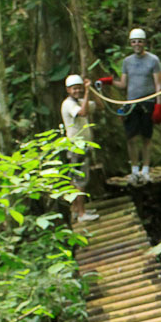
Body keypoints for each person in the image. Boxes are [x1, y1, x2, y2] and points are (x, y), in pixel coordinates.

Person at [97, 27, 161, 185]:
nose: (137, 44)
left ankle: (145, 170)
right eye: (134, 42)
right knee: (131, 138)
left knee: (146, 137)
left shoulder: (153, 60)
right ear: (130, 43)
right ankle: (134, 170)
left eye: (140, 41)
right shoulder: (127, 62)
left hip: (148, 103)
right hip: (131, 104)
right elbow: (123, 84)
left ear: (145, 42)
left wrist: (159, 106)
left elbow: (158, 84)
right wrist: (107, 81)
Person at [61, 74, 99, 223]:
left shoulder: (80, 101)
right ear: (68, 90)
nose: (77, 91)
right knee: (80, 182)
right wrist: (87, 92)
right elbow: (82, 112)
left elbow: (99, 106)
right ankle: (82, 214)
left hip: (82, 147)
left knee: (76, 180)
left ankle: (77, 210)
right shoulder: (69, 104)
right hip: (76, 148)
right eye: (74, 89)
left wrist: (93, 91)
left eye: (79, 88)